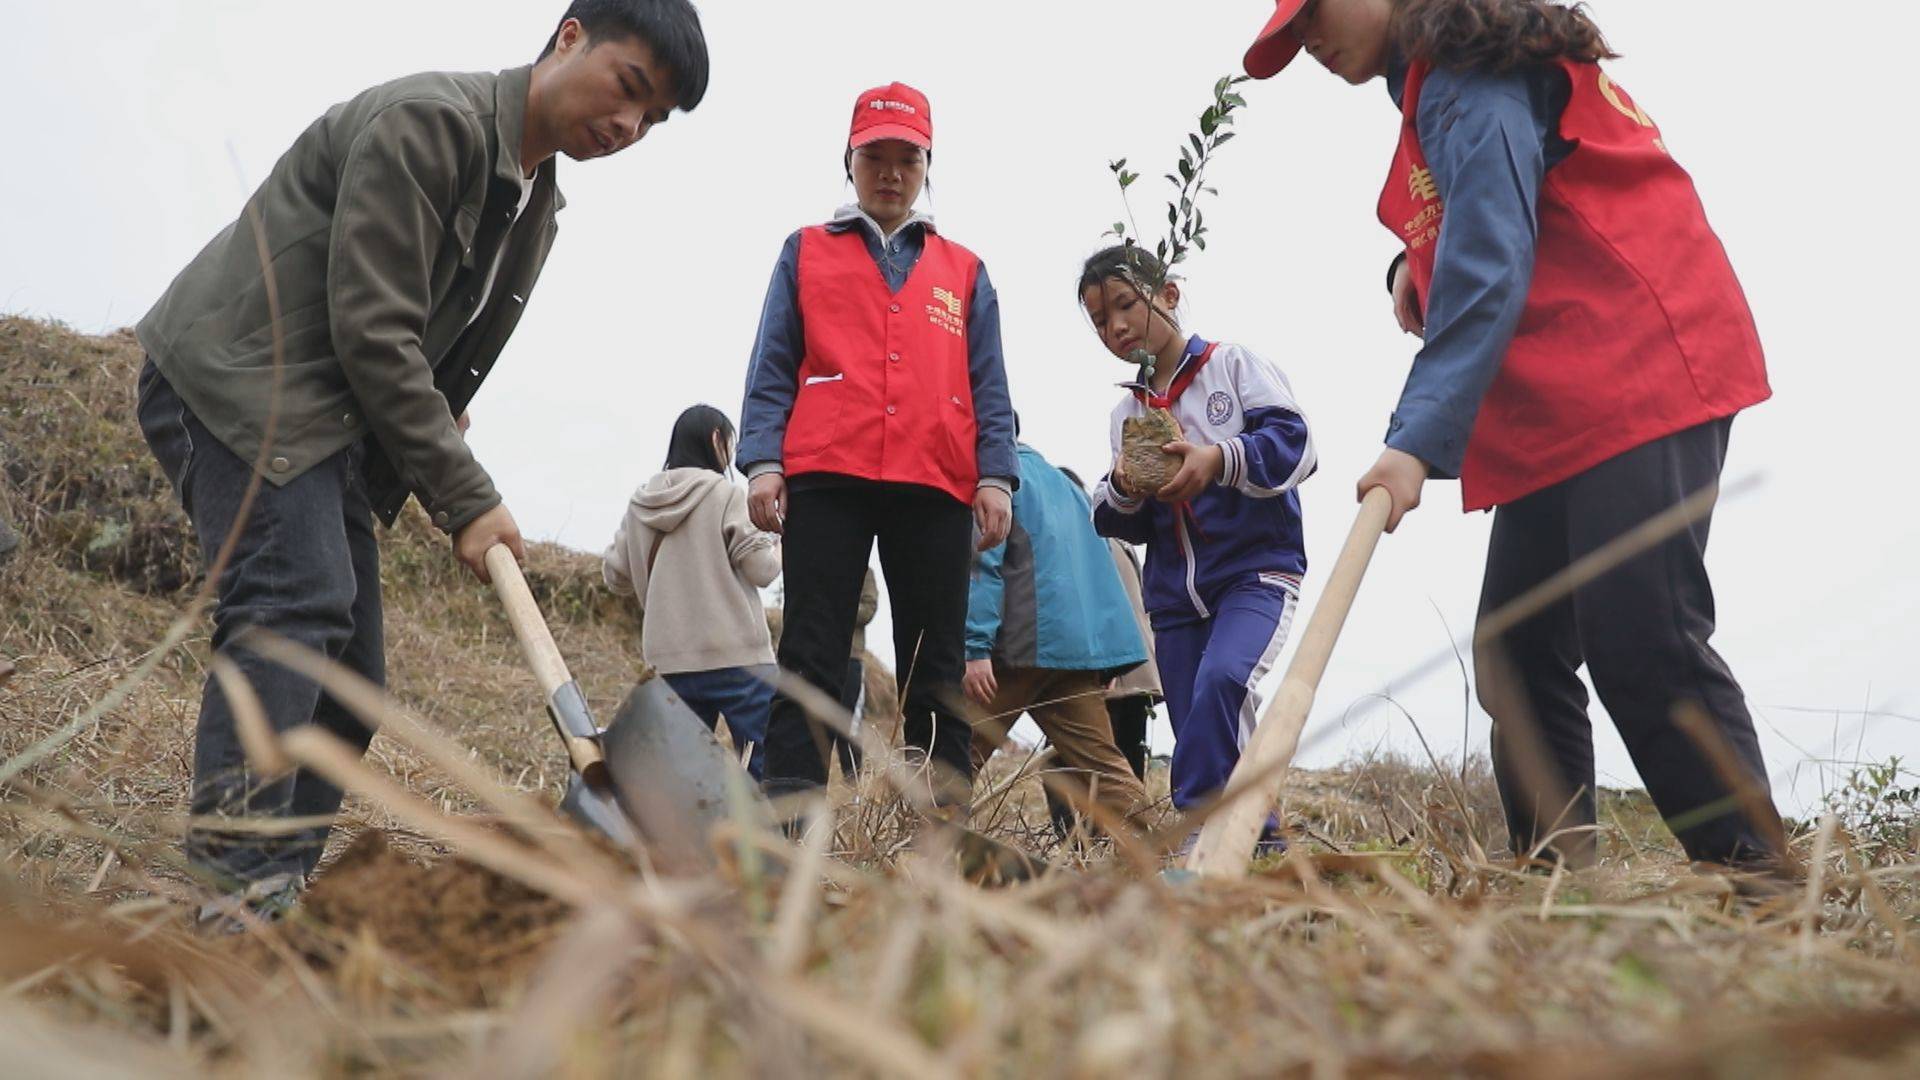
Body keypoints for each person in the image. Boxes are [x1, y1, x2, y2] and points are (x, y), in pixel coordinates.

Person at [133, 0, 710, 920]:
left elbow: (416, 341)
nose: (628, 126)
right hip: (246, 376)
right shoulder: (430, 124)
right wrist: (464, 498)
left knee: (352, 685)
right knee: (293, 606)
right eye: (629, 88)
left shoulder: (535, 205)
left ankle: (274, 890)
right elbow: (373, 330)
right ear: (569, 37)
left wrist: (436, 414)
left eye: (651, 119)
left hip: (326, 425)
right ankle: (228, 891)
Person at [1241, 0, 1784, 868]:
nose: (1305, 41)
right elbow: (1497, 204)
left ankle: (1760, 885)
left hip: (1633, 366)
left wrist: (1414, 440)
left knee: (1641, 637)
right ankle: (1555, 887)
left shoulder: (1466, 71)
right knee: (1518, 654)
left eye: (1314, 12)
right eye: (1289, 33)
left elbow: (1492, 259)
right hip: (1565, 403)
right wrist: (1410, 268)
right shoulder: (1440, 84)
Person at [737, 82, 1016, 810]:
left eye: (907, 159)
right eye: (875, 158)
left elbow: (988, 383)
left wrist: (997, 478)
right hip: (829, 472)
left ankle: (939, 825)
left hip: (936, 479)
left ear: (928, 165)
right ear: (849, 161)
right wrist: (765, 461)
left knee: (938, 664)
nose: (890, 173)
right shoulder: (806, 251)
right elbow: (773, 363)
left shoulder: (964, 271)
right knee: (811, 651)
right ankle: (790, 817)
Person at [1083, 245, 1316, 850]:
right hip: (1174, 600)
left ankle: (1194, 837)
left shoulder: (1231, 367)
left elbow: (1299, 446)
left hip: (1255, 575)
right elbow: (1116, 519)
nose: (1118, 327)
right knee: (1194, 724)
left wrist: (1217, 460)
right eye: (1101, 320)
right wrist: (1127, 488)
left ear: (1169, 294)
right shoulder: (1127, 414)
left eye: (1127, 305)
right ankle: (1262, 846)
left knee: (1224, 683)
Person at [964, 438, 1150, 829]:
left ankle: (915, 858)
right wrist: (1104, 659)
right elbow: (1101, 569)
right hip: (1072, 657)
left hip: (1014, 651)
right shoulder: (1066, 486)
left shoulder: (997, 484)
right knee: (1106, 768)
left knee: (952, 759)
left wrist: (974, 647)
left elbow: (982, 565)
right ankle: (1158, 855)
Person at [603, 406, 779, 779]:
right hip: (737, 657)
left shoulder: (640, 503)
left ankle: (690, 839)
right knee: (765, 767)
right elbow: (762, 570)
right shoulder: (726, 495)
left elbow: (614, 576)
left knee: (684, 778)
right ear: (716, 439)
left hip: (669, 662)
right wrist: (780, 538)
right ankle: (767, 837)